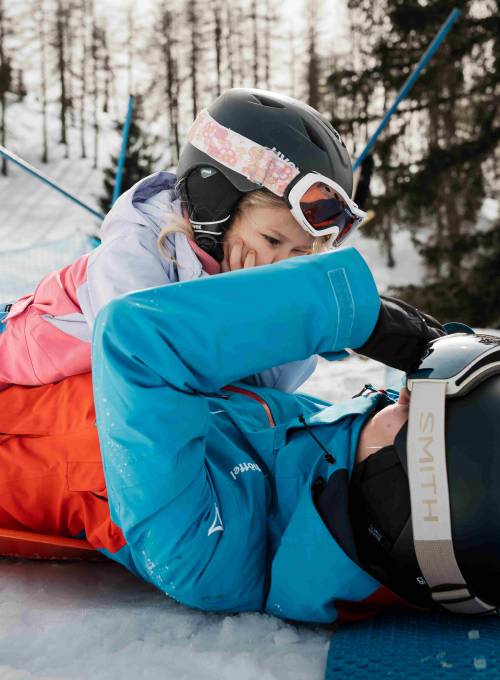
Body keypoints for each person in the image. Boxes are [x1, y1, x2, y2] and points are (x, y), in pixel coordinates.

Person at [0, 248, 462, 625]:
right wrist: (453, 354)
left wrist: (352, 313)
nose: (404, 394)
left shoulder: (208, 549)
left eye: (423, 412)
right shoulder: (325, 446)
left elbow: (136, 336)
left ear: (401, 482)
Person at [0, 87, 366, 393]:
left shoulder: (251, 276)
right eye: (272, 240)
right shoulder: (138, 251)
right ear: (214, 203)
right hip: (14, 363)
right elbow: (154, 364)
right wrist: (240, 305)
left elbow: (262, 390)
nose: (282, 263)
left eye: (300, 252)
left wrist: (278, 318)